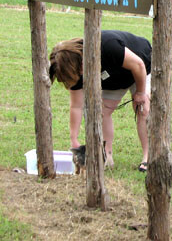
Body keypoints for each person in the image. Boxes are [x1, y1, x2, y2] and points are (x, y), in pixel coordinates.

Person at [49, 30, 151, 172]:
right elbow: (76, 106)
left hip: (141, 67)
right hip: (112, 78)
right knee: (102, 112)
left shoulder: (107, 45)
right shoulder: (73, 73)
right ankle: (107, 156)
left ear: (79, 60)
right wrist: (74, 139)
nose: (78, 77)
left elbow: (138, 65)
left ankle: (148, 157)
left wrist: (140, 93)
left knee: (142, 110)